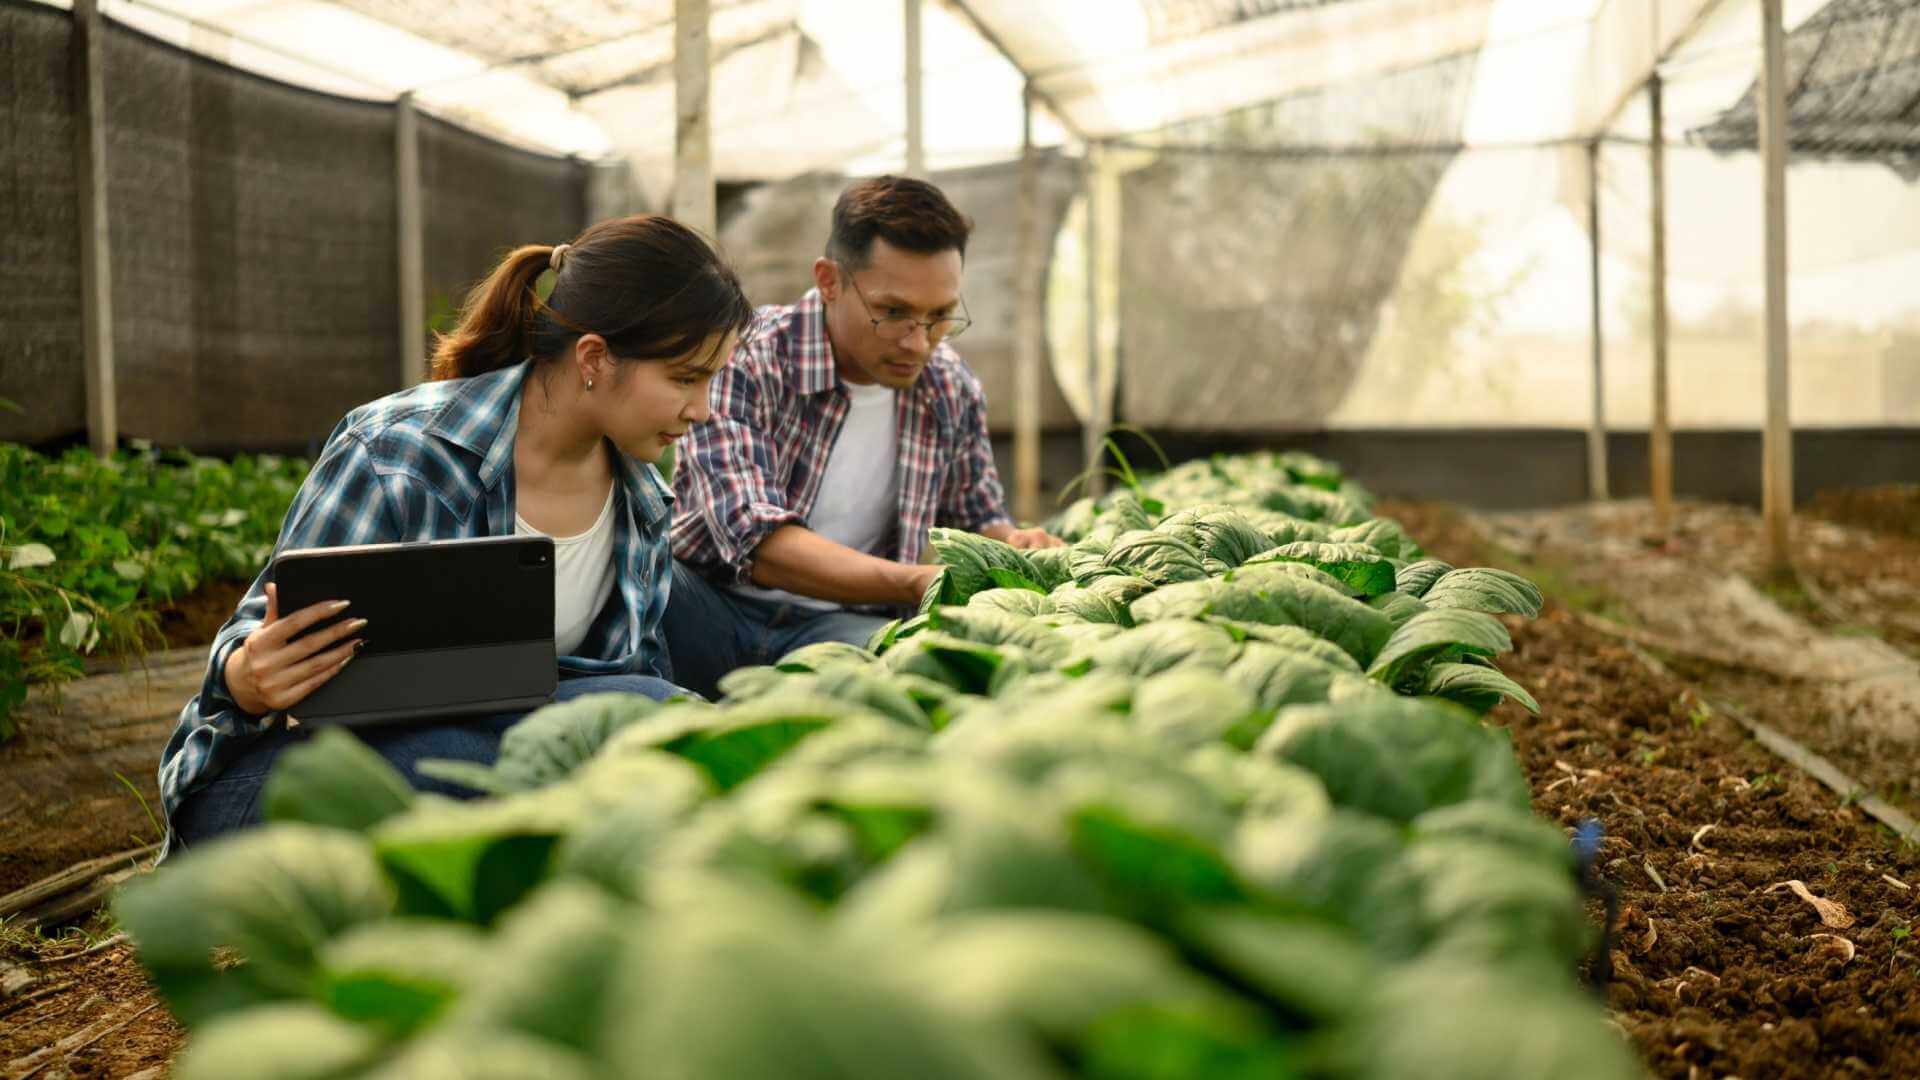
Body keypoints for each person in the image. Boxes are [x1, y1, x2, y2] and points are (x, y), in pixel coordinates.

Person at [158, 214, 753, 850]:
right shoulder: (397, 453)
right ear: (594, 359)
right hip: (288, 779)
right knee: (521, 760)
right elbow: (252, 645)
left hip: (475, 761)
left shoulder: (640, 501)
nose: (704, 409)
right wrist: (251, 675)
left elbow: (607, 697)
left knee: (654, 718)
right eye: (687, 378)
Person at [664, 175, 1063, 698]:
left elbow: (975, 516)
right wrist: (913, 582)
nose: (918, 342)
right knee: (647, 593)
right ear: (830, 281)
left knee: (927, 677)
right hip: (707, 607)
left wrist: (1013, 544)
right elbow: (756, 543)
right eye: (893, 312)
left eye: (940, 316)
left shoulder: (949, 388)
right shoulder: (749, 356)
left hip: (839, 627)